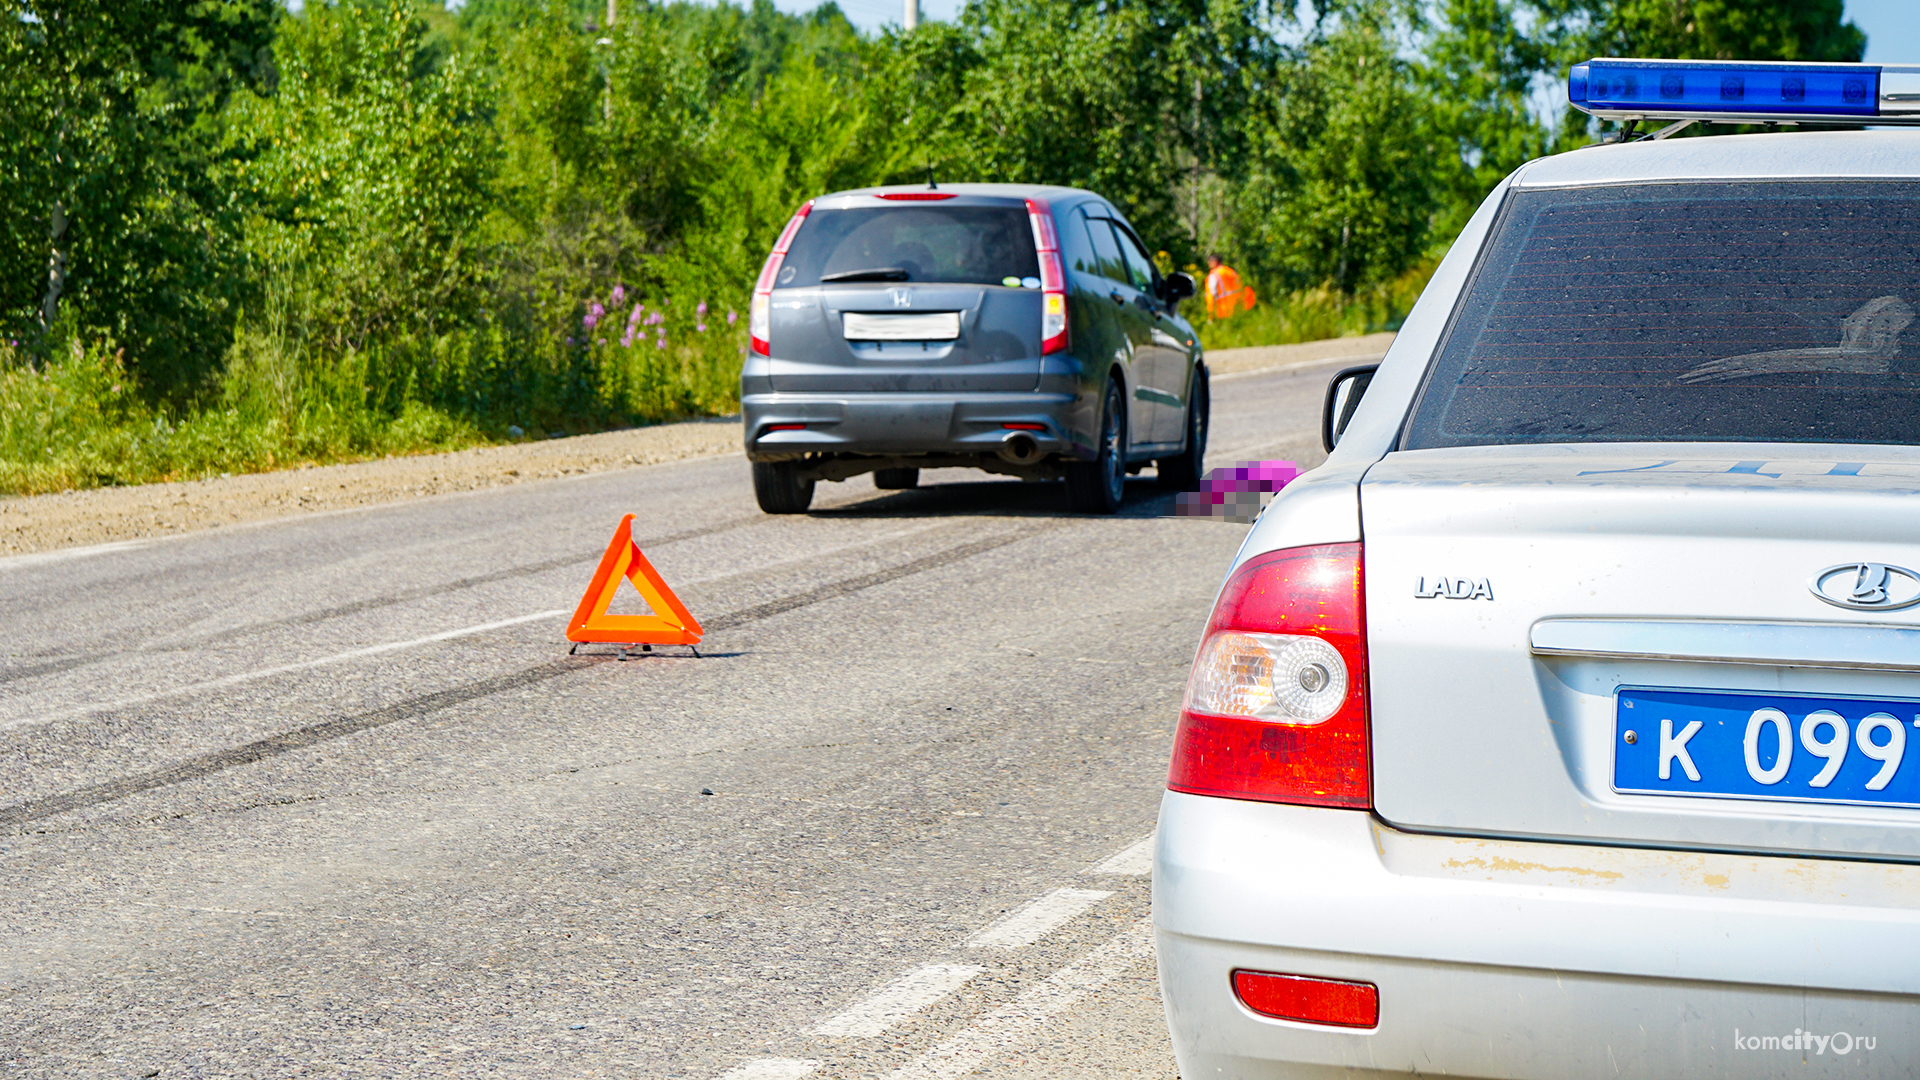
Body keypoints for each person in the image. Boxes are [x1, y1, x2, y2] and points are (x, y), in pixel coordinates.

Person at [1204, 254, 1257, 320]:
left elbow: (1212, 294)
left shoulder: (1214, 275)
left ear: (1215, 262)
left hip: (1223, 311)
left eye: (1209, 262)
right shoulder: (1231, 271)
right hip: (1238, 308)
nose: (1208, 264)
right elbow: (1240, 287)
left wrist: (1211, 315)